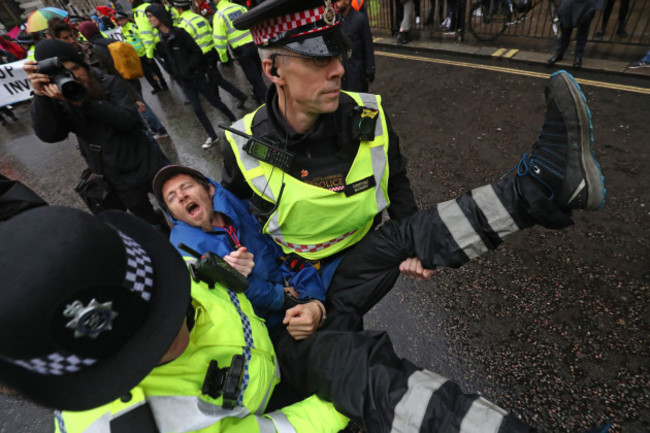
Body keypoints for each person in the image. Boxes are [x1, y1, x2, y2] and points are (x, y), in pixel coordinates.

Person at [153, 165, 329, 329]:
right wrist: (282, 298)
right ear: (174, 214)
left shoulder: (239, 207)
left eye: (187, 187)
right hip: (265, 328)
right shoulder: (185, 252)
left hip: (303, 283)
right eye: (172, 197)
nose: (182, 196)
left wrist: (314, 301)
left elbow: (284, 253)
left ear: (210, 189)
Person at [23, 39, 169, 228]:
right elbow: (50, 135)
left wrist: (82, 102)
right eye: (63, 74)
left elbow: (127, 121)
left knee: (177, 206)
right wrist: (40, 96)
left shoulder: (109, 83)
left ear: (85, 65)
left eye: (75, 68)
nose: (73, 77)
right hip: (117, 176)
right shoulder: (58, 101)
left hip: (148, 161)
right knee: (149, 222)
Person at [146, 3, 237, 149]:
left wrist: (190, 68)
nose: (149, 20)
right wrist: (175, 73)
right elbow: (170, 59)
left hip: (196, 76)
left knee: (214, 101)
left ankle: (233, 120)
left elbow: (196, 52)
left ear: (159, 16)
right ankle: (213, 136)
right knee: (197, 109)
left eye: (150, 16)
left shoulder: (180, 33)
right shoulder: (161, 38)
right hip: (184, 81)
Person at [76, 20, 170, 140]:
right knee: (140, 104)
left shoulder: (96, 49)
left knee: (140, 107)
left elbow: (108, 69)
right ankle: (153, 128)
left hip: (122, 82)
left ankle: (159, 129)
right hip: (132, 76)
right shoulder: (111, 41)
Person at [172, 0, 248, 109]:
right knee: (213, 78)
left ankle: (239, 96)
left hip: (201, 57)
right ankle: (218, 100)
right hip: (211, 52)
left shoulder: (183, 24)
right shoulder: (200, 18)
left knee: (216, 79)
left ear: (179, 9)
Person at [212, 0, 268, 104]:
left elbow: (219, 41)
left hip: (242, 52)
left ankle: (269, 105)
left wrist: (224, 58)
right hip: (254, 45)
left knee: (255, 79)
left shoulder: (219, 15)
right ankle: (256, 96)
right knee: (257, 75)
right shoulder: (239, 7)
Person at [115, 10, 169, 94]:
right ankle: (155, 86)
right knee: (146, 72)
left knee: (155, 69)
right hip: (136, 55)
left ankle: (163, 83)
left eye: (121, 19)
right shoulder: (122, 30)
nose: (120, 22)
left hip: (145, 52)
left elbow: (143, 38)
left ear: (126, 19)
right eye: (119, 20)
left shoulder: (133, 27)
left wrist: (148, 51)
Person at [547, 0, 605, 69]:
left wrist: (595, 8)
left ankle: (578, 56)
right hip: (570, 3)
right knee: (566, 29)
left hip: (587, 4)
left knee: (583, 30)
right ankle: (559, 53)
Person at [337, 0, 375, 92]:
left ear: (347, 1)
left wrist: (370, 70)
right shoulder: (336, 20)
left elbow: (368, 46)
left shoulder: (360, 19)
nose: (335, 4)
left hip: (356, 75)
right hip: (341, 77)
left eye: (338, 1)